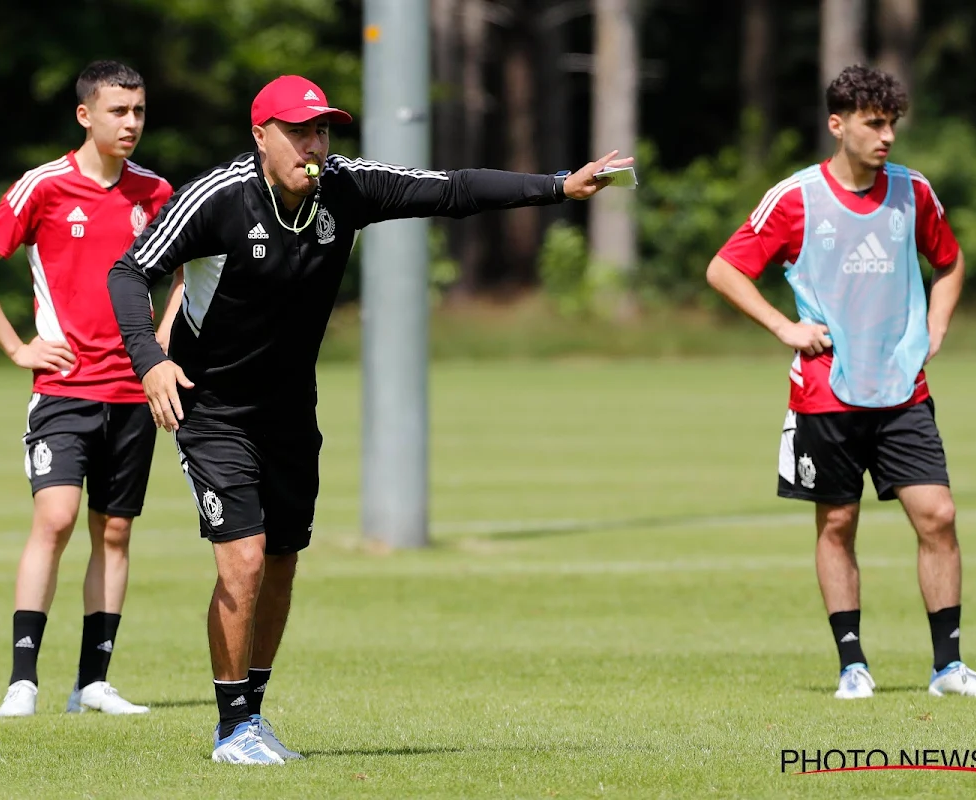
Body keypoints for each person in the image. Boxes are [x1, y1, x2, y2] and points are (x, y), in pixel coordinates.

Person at [107, 73, 633, 764]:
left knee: (283, 563)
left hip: (290, 410)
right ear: (260, 135)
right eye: (298, 131)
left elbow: (451, 190)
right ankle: (231, 728)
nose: (314, 143)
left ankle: (254, 717)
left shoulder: (346, 189)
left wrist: (556, 186)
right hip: (213, 408)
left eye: (321, 129)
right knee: (243, 560)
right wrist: (149, 360)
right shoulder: (218, 198)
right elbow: (128, 271)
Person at [705, 64, 976, 701]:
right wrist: (785, 327)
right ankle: (853, 666)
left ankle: (948, 667)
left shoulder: (913, 192)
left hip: (903, 388)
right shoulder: (794, 198)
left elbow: (949, 263)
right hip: (825, 390)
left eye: (892, 123)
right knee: (837, 523)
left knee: (939, 515)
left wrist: (936, 325)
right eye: (874, 123)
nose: (887, 136)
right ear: (837, 125)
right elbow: (724, 270)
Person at [0, 60, 179, 717]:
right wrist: (17, 345)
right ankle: (23, 679)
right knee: (55, 519)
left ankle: (93, 683)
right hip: (64, 390)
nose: (131, 123)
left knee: (114, 534)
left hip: (135, 394)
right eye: (118, 111)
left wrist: (163, 333)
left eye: (138, 111)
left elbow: (193, 263)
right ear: (86, 115)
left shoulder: (155, 193)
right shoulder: (43, 187)